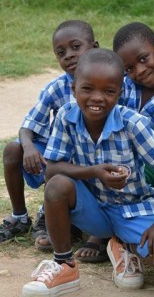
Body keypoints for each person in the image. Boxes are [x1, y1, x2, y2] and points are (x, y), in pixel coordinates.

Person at [21, 49, 154, 297]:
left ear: (120, 92)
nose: (97, 98)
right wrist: (94, 172)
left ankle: (123, 245)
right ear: (74, 89)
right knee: (57, 186)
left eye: (108, 91)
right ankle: (64, 265)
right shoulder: (66, 116)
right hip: (93, 210)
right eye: (87, 89)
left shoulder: (132, 123)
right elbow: (52, 169)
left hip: (133, 208)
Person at [74, 21, 154, 262]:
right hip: (117, 156)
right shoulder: (125, 86)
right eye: (129, 68)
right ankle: (100, 234)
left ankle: (124, 238)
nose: (139, 71)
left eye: (143, 59)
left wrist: (142, 144)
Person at [1, 20, 98, 246]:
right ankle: (20, 217)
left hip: (89, 160)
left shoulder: (109, 80)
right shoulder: (57, 87)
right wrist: (28, 147)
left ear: (94, 47)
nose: (69, 56)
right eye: (61, 53)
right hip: (56, 156)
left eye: (76, 47)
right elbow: (28, 126)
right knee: (13, 149)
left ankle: (54, 215)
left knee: (68, 163)